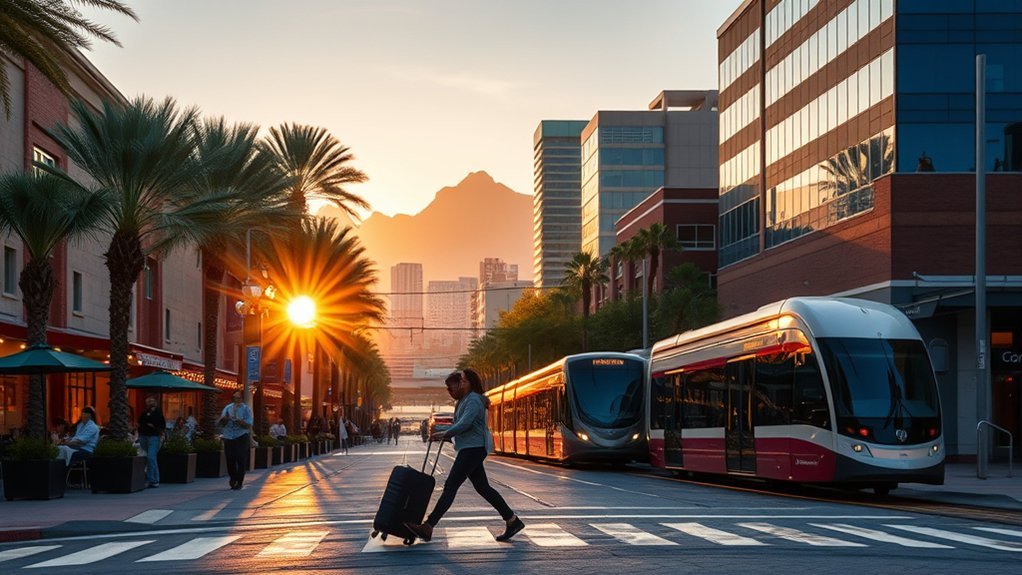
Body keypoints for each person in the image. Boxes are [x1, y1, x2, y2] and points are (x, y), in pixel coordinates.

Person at [405, 369, 524, 543]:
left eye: (461, 381)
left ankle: (428, 526)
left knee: (450, 486)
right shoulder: (463, 401)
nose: (459, 384)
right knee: (483, 488)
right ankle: (512, 521)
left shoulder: (474, 400)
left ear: (468, 383)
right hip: (470, 448)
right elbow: (462, 425)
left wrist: (445, 433)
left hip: (474, 449)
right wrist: (449, 436)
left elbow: (465, 423)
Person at [218, 391, 253, 490]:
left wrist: (240, 421)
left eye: (238, 398)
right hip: (229, 436)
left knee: (241, 459)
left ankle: (239, 481)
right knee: (230, 459)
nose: (236, 400)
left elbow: (249, 424)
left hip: (241, 435)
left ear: (241, 398)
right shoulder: (227, 408)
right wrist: (225, 419)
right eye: (234, 398)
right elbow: (221, 423)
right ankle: (233, 478)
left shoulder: (246, 409)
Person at [138, 395, 166, 488]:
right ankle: (152, 479)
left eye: (151, 401)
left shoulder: (158, 412)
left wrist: (153, 425)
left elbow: (161, 424)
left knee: (151, 457)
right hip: (144, 435)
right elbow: (141, 420)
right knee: (151, 458)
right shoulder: (145, 412)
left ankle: (153, 480)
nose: (149, 403)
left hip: (153, 437)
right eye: (148, 401)